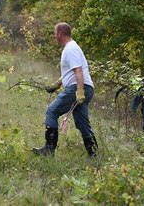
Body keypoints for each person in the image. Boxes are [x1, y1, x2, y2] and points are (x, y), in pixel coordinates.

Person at [33, 22, 98, 157]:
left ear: (60, 34)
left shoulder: (70, 49)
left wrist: (79, 92)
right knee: (82, 123)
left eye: (55, 33)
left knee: (52, 111)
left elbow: (78, 71)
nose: (55, 36)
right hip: (83, 87)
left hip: (78, 88)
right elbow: (70, 72)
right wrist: (57, 84)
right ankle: (93, 153)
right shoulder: (71, 48)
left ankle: (49, 149)